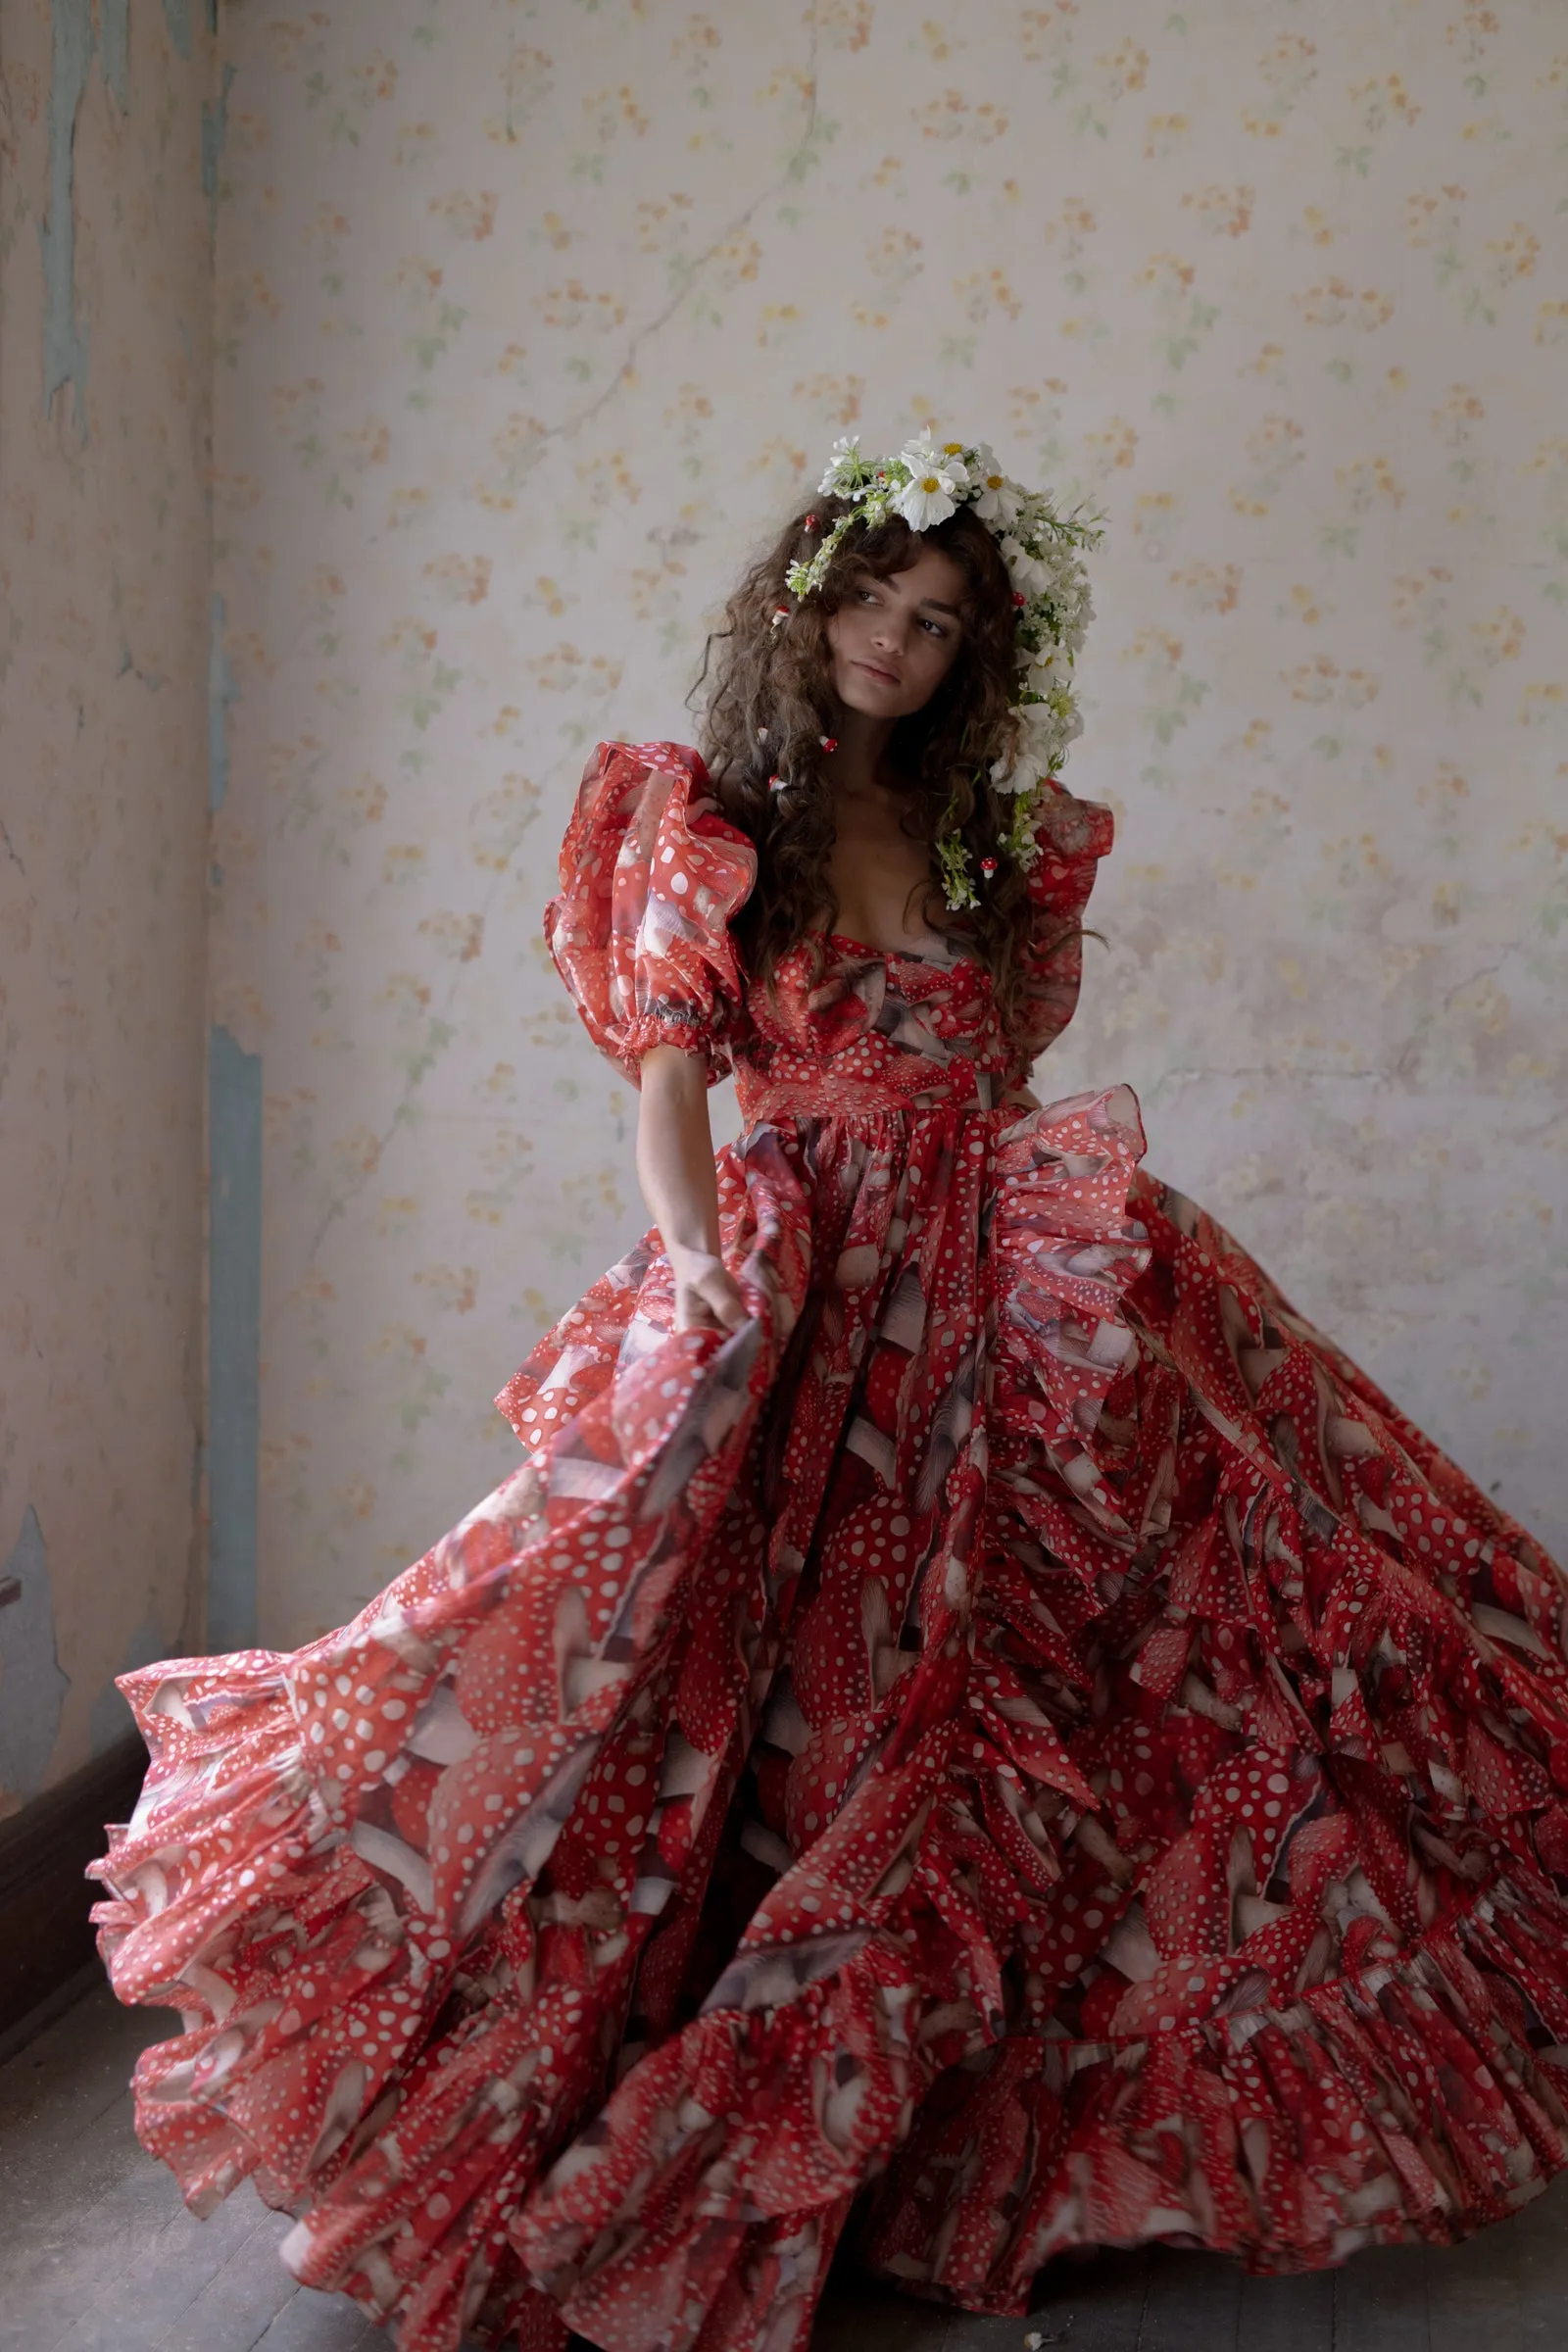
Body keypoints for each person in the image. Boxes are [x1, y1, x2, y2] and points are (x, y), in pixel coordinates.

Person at [92, 432, 1568, 2352]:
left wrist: (1061, 1276)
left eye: (937, 621)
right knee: (711, 1677)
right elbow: (668, 1087)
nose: (895, 641)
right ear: (804, 602)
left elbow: (1006, 1081)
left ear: (974, 653)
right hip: (804, 1290)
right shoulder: (705, 815)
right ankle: (731, 2100)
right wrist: (694, 1259)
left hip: (1010, 1292)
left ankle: (979, 2134)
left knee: (1164, 1650)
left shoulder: (991, 843)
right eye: (871, 600)